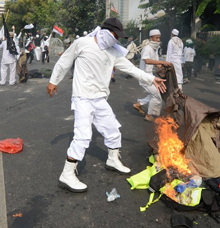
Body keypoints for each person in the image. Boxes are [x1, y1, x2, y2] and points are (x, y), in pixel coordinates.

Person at [47, 18, 166, 193]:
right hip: (83, 98)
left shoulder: (113, 52)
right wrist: (53, 81)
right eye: (115, 35)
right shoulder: (83, 43)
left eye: (118, 37)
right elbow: (65, 61)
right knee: (83, 136)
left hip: (100, 98)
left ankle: (112, 160)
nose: (116, 39)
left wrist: (151, 78)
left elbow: (131, 69)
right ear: (104, 31)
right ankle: (67, 174)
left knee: (112, 129)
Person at [132, 29, 171, 122]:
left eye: (159, 38)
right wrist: (161, 62)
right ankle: (150, 115)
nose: (158, 40)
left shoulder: (154, 49)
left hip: (150, 76)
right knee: (157, 96)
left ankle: (138, 104)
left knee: (155, 93)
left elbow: (156, 63)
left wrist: (165, 68)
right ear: (151, 38)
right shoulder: (147, 48)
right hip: (144, 76)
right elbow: (147, 60)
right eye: (157, 38)